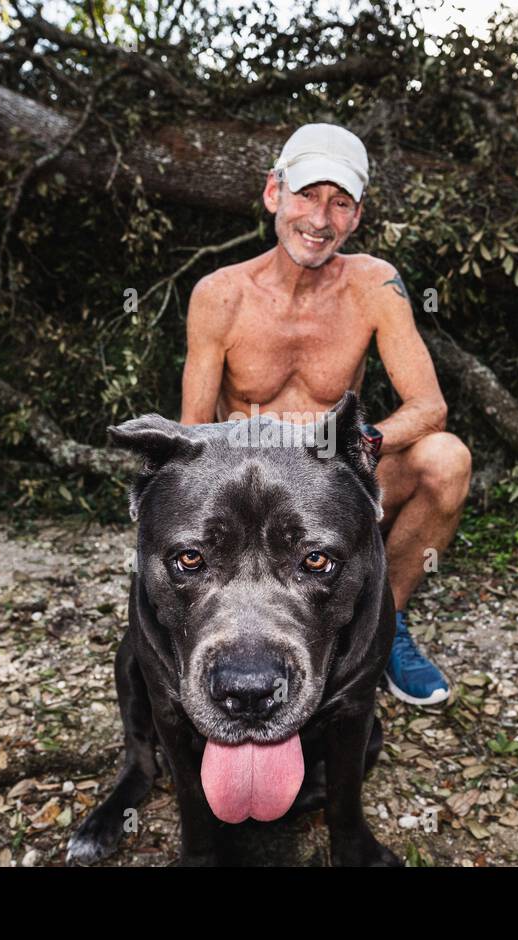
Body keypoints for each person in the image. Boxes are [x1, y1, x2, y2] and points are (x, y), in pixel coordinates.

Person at [178, 123, 471, 706]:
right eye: (307, 195)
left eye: (339, 203)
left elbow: (429, 408)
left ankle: (385, 626)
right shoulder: (220, 293)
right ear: (273, 194)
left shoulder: (374, 284)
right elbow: (190, 435)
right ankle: (220, 641)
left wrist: (350, 443)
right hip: (254, 498)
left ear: (356, 217)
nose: (320, 219)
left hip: (339, 479)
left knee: (448, 458)